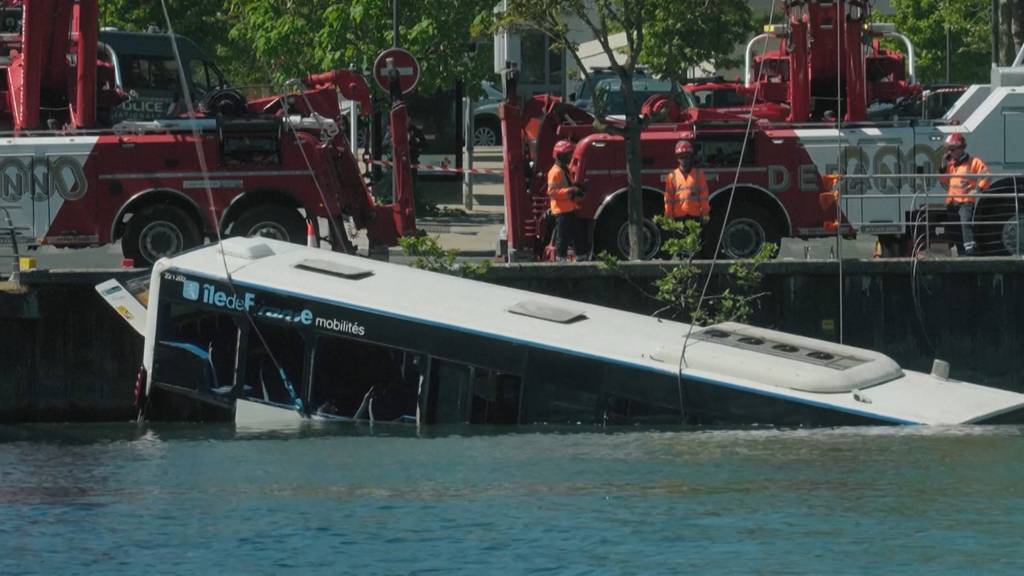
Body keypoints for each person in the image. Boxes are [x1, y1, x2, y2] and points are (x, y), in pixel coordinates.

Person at [940, 133, 989, 256]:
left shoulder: (973, 162)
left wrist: (978, 189)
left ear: (961, 148)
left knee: (965, 224)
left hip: (966, 202)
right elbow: (944, 182)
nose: (950, 152)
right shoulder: (951, 165)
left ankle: (970, 253)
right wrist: (942, 166)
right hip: (952, 202)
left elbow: (986, 175)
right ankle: (961, 253)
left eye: (952, 149)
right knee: (954, 229)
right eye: (948, 150)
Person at [548, 139, 588, 261]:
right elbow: (552, 193)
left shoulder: (565, 169)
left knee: (577, 234)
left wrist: (578, 188)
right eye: (568, 155)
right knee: (563, 237)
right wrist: (571, 191)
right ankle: (561, 259)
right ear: (560, 156)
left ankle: (581, 256)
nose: (570, 157)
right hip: (561, 211)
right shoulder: (555, 172)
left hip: (569, 208)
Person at [664, 140, 710, 227]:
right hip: (678, 217)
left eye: (687, 156)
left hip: (695, 216)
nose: (684, 160)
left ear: (691, 157)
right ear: (677, 158)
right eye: (681, 157)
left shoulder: (698, 174)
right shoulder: (672, 176)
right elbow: (668, 198)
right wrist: (668, 215)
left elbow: (704, 196)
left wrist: (705, 213)